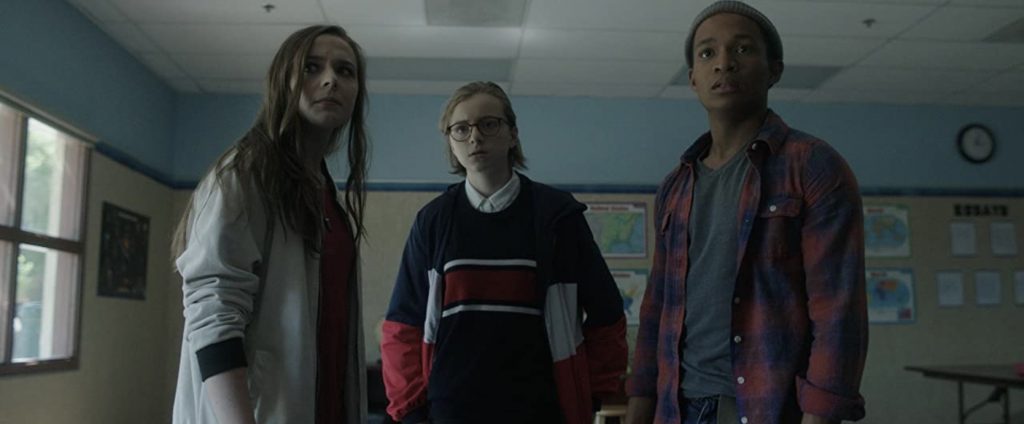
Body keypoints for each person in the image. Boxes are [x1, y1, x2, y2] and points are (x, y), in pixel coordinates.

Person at [625, 2, 868, 424]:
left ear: (774, 70)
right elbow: (656, 311)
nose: (724, 63)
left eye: (742, 49)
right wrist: (639, 410)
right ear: (693, 78)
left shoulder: (812, 165)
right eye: (708, 53)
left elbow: (838, 314)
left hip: (762, 407)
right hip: (676, 407)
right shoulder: (675, 186)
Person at [380, 81, 628, 424]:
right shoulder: (433, 221)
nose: (474, 137)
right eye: (461, 129)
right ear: (451, 142)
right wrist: (411, 414)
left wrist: (592, 394)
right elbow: (402, 327)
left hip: (541, 412)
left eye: (489, 124)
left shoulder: (557, 217)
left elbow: (608, 316)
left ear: (513, 134)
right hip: (451, 412)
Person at [171, 24, 369, 424]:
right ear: (283, 82)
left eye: (345, 71)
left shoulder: (324, 192)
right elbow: (213, 315)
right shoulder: (244, 174)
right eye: (312, 67)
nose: (330, 79)